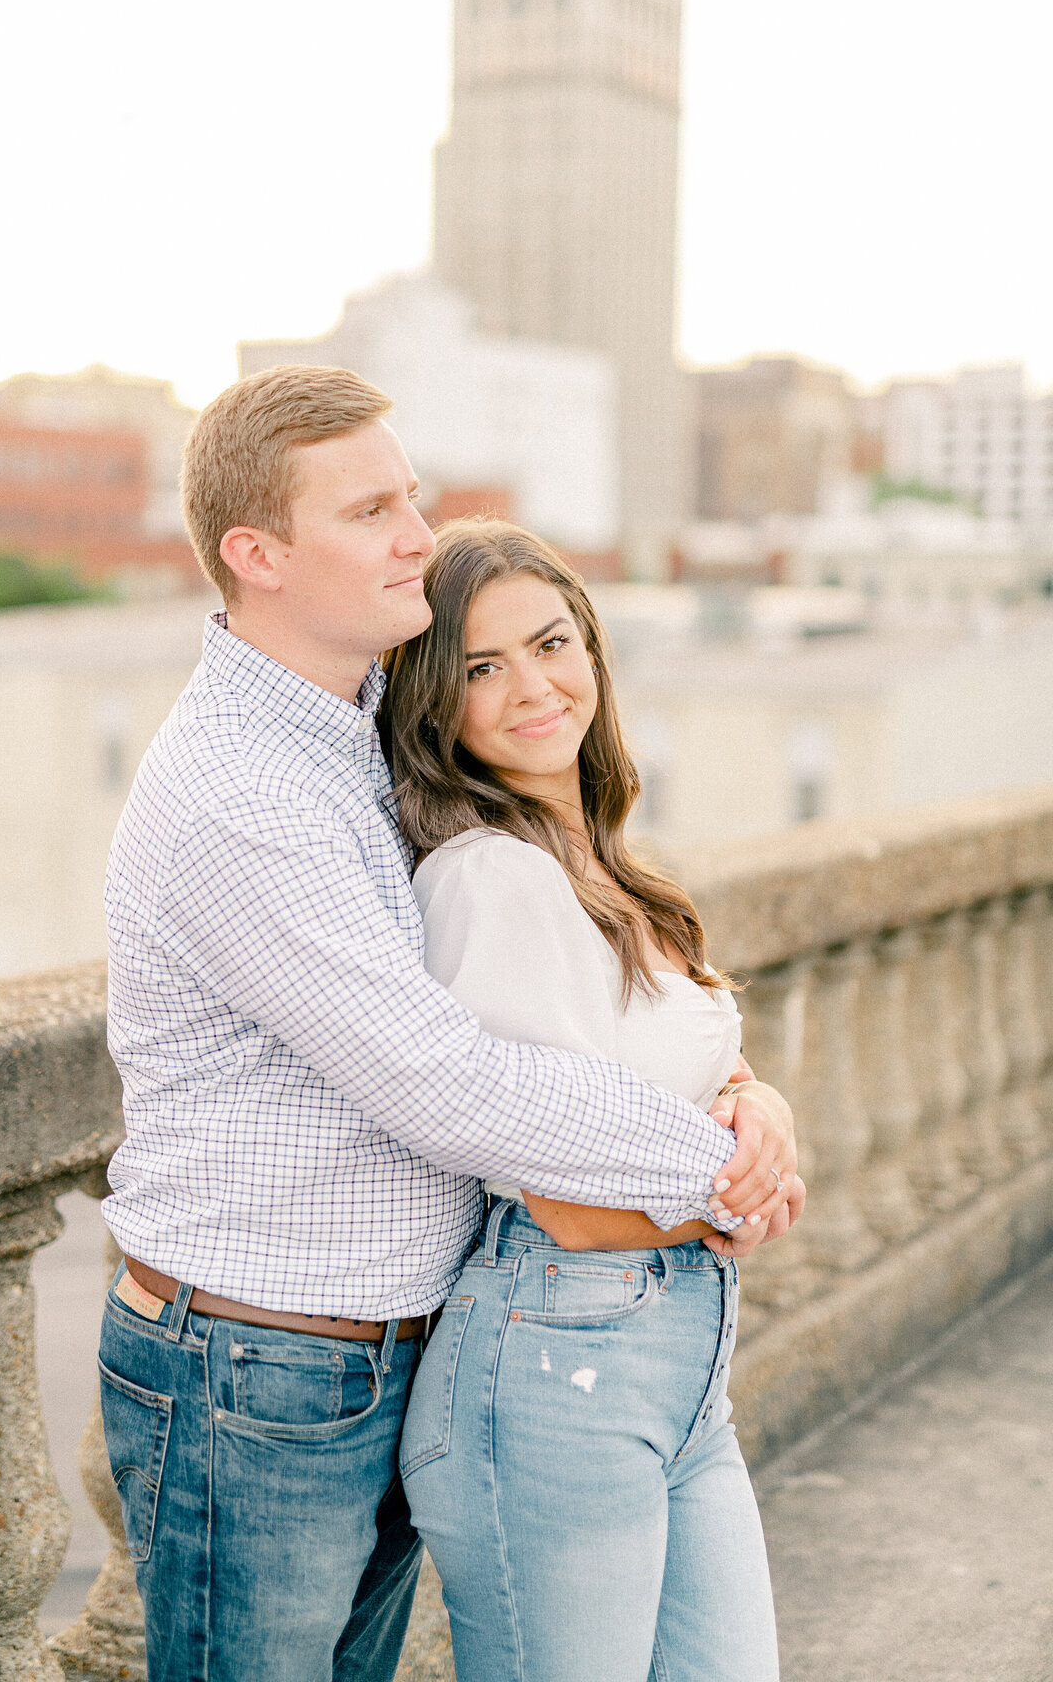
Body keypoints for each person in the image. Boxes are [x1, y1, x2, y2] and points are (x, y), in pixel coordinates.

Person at [97, 365, 799, 1682]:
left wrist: (743, 1097)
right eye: (372, 510)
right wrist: (718, 1171)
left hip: (381, 1348)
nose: (418, 534)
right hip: (258, 1372)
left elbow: (598, 1007)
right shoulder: (242, 790)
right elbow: (443, 1082)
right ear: (258, 554)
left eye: (410, 498)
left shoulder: (358, 730)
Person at [385, 520, 797, 1682]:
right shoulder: (488, 879)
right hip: (554, 1370)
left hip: (674, 1368)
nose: (532, 686)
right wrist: (735, 1209)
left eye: (551, 642)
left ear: (594, 650)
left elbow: (682, 1072)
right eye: (480, 667)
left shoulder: (604, 863)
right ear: (436, 703)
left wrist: (762, 1110)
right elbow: (563, 1192)